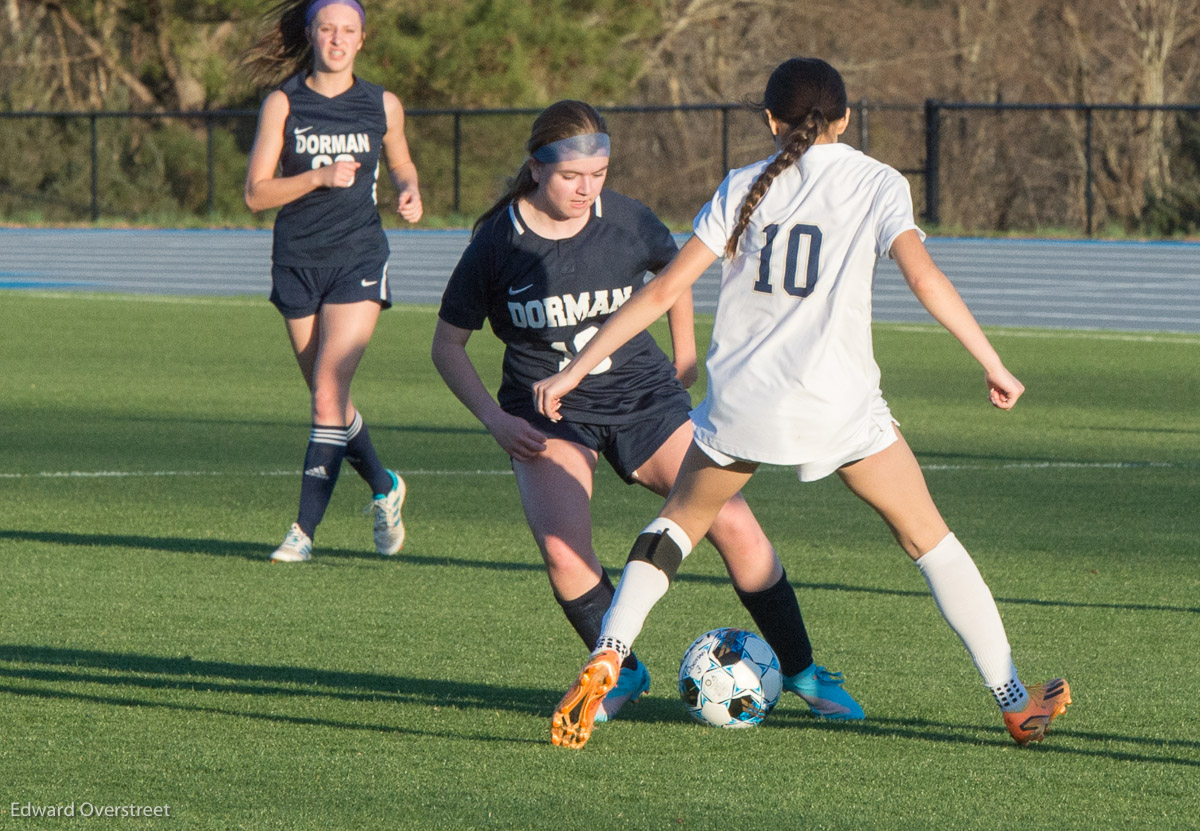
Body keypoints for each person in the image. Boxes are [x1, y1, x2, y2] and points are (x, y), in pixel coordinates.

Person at [534, 59, 1071, 749]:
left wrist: (577, 367)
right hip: (840, 408)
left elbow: (663, 292)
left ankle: (608, 649)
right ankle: (1013, 698)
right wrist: (992, 361)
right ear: (845, 119)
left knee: (677, 525)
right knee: (929, 539)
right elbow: (922, 274)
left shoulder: (741, 185)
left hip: (744, 405)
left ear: (769, 120)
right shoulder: (877, 181)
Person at [431, 100, 862, 739]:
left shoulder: (628, 219)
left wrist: (685, 353)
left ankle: (801, 671)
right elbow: (447, 346)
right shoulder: (497, 243)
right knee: (562, 550)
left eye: (599, 174)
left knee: (734, 521)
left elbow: (673, 277)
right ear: (535, 168)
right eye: (572, 176)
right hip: (547, 412)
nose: (587, 189)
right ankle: (622, 669)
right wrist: (495, 420)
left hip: (643, 397)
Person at [242, 0, 420, 562]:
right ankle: (384, 485)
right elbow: (255, 194)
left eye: (348, 31)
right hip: (296, 260)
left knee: (326, 391)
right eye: (327, 29)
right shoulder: (284, 102)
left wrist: (409, 189)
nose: (337, 40)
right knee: (330, 401)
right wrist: (317, 175)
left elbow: (401, 162)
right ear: (312, 34)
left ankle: (302, 531)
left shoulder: (381, 104)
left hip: (358, 258)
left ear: (362, 40)